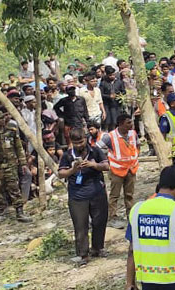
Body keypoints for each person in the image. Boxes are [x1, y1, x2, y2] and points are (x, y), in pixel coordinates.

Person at [58, 127, 109, 264]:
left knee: (99, 222)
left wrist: (93, 165)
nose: (79, 145)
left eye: (81, 142)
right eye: (76, 143)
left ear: (85, 139)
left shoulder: (95, 151)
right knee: (81, 226)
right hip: (77, 195)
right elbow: (61, 173)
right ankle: (83, 254)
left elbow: (106, 166)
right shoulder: (67, 155)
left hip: (97, 192)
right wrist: (73, 169)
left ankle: (98, 248)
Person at [0, 110, 32, 222]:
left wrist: (23, 163)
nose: (3, 120)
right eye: (0, 118)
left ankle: (19, 212)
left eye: (3, 117)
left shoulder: (12, 132)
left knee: (14, 187)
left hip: (10, 164)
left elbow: (19, 148)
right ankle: (2, 212)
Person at [102, 113, 139, 228]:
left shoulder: (133, 133)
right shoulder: (110, 136)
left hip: (131, 169)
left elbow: (137, 146)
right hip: (117, 170)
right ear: (121, 124)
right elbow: (98, 148)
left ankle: (131, 216)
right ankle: (112, 217)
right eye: (128, 122)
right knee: (114, 195)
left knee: (129, 195)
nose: (131, 124)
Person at [100, 66, 125, 131]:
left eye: (113, 74)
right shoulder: (103, 83)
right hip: (107, 105)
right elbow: (101, 94)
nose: (112, 76)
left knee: (115, 121)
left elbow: (124, 91)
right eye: (110, 75)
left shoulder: (119, 82)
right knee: (107, 122)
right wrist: (109, 96)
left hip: (116, 105)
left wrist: (118, 95)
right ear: (107, 75)